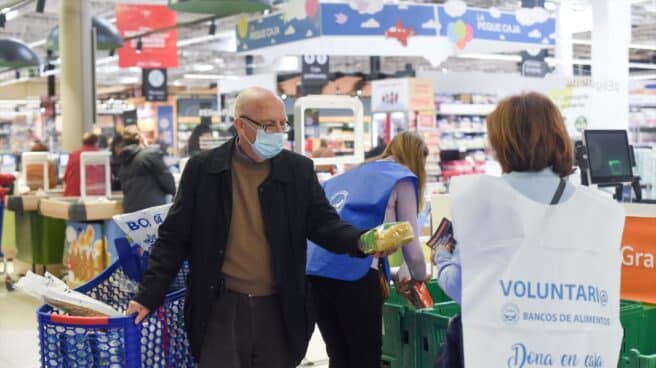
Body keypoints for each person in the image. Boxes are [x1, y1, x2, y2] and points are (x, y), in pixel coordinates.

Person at [125, 87, 396, 368]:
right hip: (220, 307)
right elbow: (173, 239)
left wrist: (362, 241)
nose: (277, 132)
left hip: (279, 308)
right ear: (240, 124)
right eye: (268, 125)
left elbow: (324, 224)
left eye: (282, 123)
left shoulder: (297, 171)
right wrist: (148, 296)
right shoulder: (204, 170)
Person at [433, 92, 625, 367]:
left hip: (497, 351)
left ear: (501, 142)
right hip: (568, 351)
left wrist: (442, 259)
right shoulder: (599, 210)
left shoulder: (483, 201)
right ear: (558, 136)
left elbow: (464, 287)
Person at [306, 131, 428, 368]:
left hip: (316, 273)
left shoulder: (349, 175)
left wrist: (391, 274)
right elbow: (411, 247)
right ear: (417, 159)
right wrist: (420, 277)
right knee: (365, 357)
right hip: (356, 277)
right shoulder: (402, 178)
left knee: (339, 356)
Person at [117, 127, 176, 213]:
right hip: (152, 213)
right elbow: (169, 183)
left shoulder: (124, 162)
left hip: (131, 213)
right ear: (141, 139)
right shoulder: (149, 156)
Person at [63, 132, 99, 196]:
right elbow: (108, 179)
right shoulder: (100, 156)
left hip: (72, 195)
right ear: (96, 143)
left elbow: (66, 177)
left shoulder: (74, 154)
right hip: (94, 196)